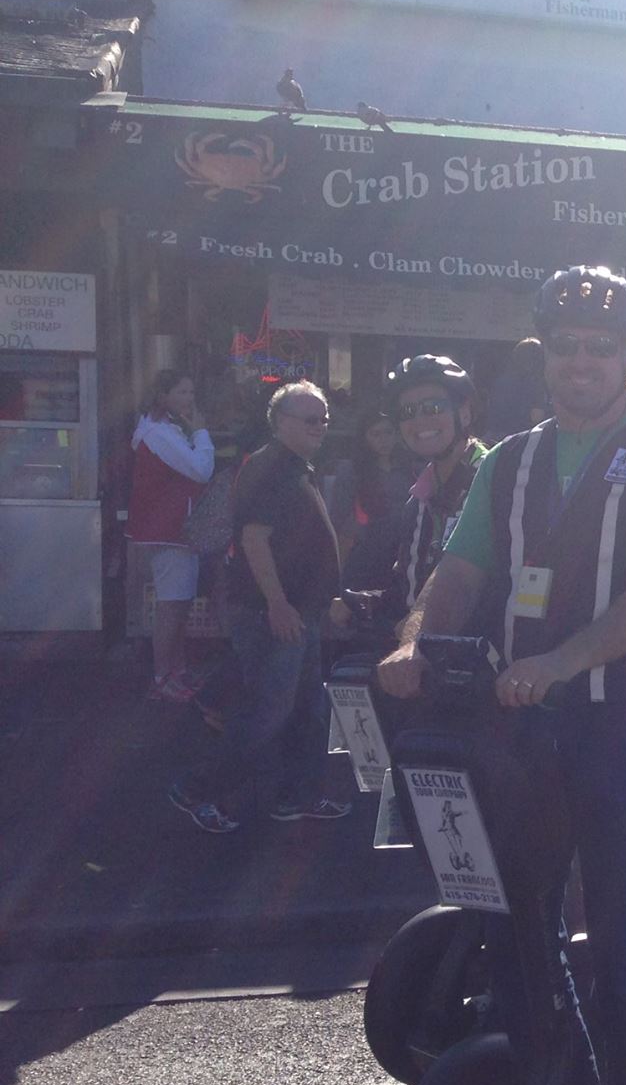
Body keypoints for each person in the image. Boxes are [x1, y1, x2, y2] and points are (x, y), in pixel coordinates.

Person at [379, 266, 626, 1085]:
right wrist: (418, 641)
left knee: (624, 937)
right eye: (565, 347)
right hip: (521, 728)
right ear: (544, 354)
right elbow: (459, 571)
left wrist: (564, 660)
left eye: (600, 348)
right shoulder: (511, 461)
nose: (581, 363)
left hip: (625, 727)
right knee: (519, 926)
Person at [171, 383, 349, 834]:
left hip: (299, 611)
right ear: (280, 421)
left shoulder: (294, 466)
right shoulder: (272, 468)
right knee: (267, 712)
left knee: (308, 709)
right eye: (310, 419)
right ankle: (199, 791)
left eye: (324, 418)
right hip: (273, 613)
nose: (320, 426)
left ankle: (299, 795)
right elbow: (254, 538)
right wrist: (278, 604)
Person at [329, 355, 485, 647]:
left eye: (433, 407)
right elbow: (409, 591)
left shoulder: (495, 480)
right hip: (418, 655)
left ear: (464, 413)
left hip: (474, 657)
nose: (420, 420)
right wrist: (365, 602)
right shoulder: (419, 499)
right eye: (408, 412)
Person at [127, 369, 215, 702]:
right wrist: (202, 432)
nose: (189, 399)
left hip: (175, 529)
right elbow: (201, 470)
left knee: (179, 604)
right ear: (163, 396)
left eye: (191, 392)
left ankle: (176, 671)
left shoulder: (161, 429)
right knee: (172, 605)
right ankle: (163, 677)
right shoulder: (160, 433)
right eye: (181, 392)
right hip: (169, 530)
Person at [326, 410, 414, 585]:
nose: (383, 439)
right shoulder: (352, 471)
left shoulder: (410, 469)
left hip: (404, 554)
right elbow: (339, 519)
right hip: (365, 557)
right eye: (376, 434)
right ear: (365, 438)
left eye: (388, 432)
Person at [482, 336, 547, 445]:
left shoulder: (501, 380)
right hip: (518, 441)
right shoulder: (536, 385)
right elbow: (536, 418)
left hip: (493, 437)